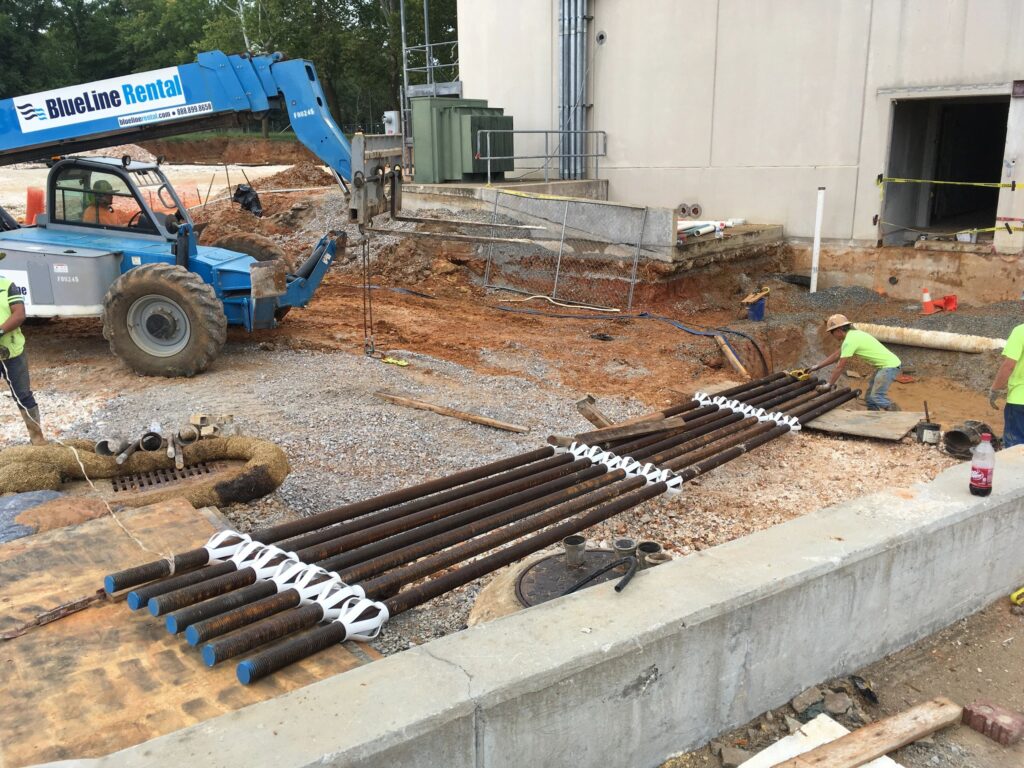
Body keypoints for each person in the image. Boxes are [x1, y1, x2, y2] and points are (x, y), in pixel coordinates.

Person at [808, 314, 902, 411]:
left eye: (832, 333)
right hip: (886, 366)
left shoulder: (850, 341)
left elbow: (840, 367)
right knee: (870, 399)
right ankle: (873, 419)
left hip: (889, 366)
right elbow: (836, 355)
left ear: (838, 330)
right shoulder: (854, 335)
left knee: (877, 397)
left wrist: (829, 384)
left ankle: (899, 416)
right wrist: (818, 366)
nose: (832, 336)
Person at [0, 269, 45, 444]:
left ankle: (37, 438)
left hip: (11, 350)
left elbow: (19, 314)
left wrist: (1, 330)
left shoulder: (7, 285)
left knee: (23, 395)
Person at [989, 319, 1024, 449]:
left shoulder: (1020, 331)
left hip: (1020, 401)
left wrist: (994, 389)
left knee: (1016, 447)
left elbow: (1009, 366)